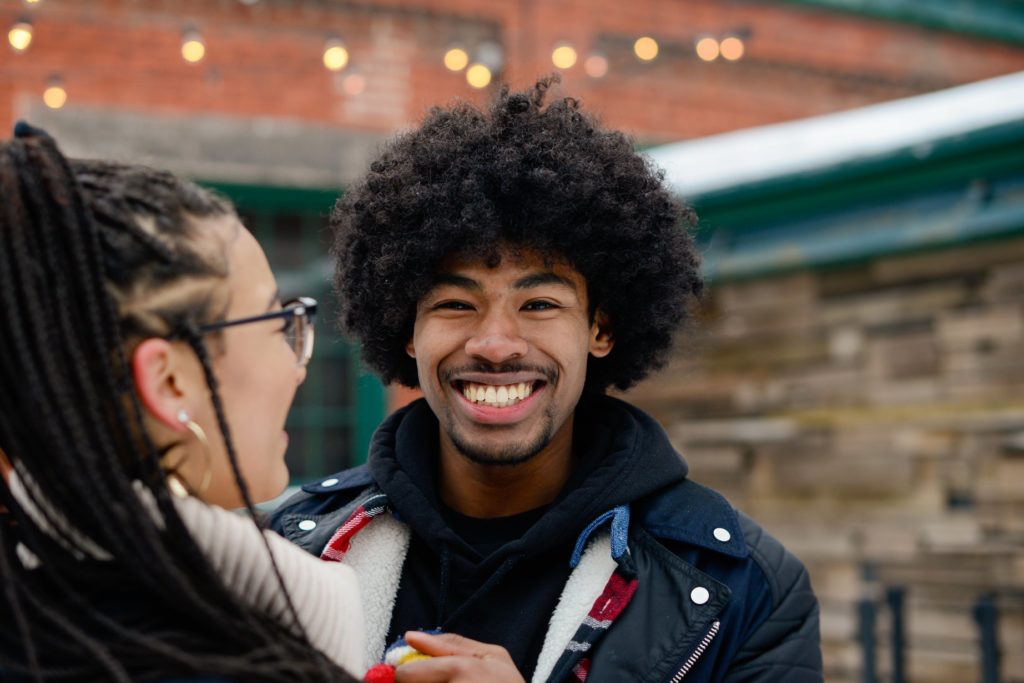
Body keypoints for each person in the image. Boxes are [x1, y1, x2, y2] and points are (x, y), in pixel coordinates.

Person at [270, 77, 824, 682]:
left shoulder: (744, 587)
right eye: (456, 304)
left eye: (539, 305)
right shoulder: (285, 552)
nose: (495, 345)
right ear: (407, 331)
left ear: (600, 329)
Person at [0, 125, 368, 682]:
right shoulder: (195, 656)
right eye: (278, 323)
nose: (299, 365)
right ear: (169, 382)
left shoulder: (39, 599)